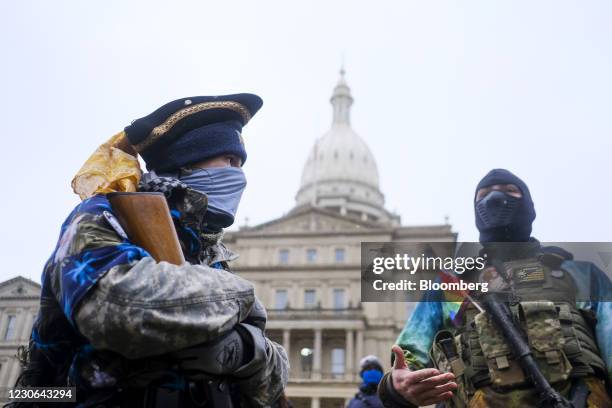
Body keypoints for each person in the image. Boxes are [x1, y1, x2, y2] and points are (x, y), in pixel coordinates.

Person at [11, 95, 289, 407]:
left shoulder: (212, 254)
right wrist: (243, 296)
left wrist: (246, 350)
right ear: (186, 160)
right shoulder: (105, 214)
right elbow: (118, 307)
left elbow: (274, 386)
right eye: (228, 159)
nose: (238, 174)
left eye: (240, 163)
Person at [378, 169, 612, 407]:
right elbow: (408, 359)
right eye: (484, 195)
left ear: (529, 207)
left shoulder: (581, 275)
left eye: (509, 191)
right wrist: (398, 387)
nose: (495, 199)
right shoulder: (452, 287)